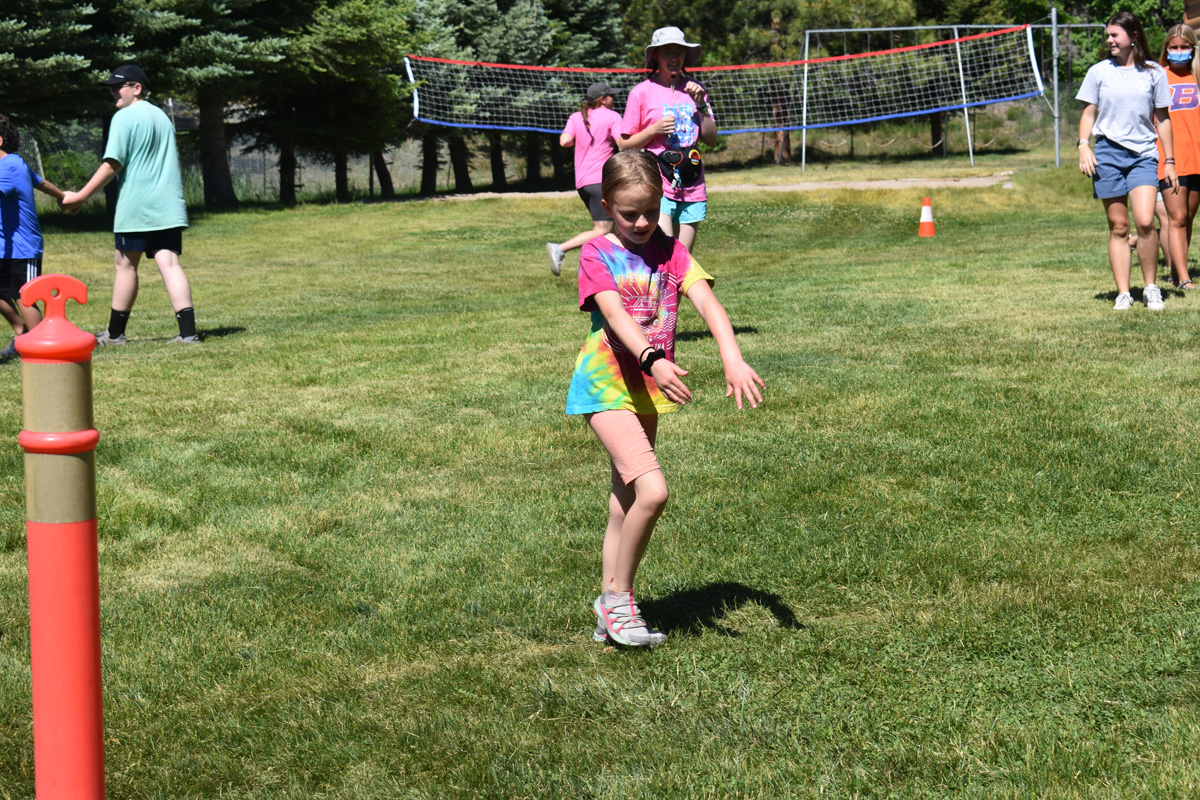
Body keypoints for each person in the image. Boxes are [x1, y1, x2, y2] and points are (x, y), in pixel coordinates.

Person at [566, 150, 764, 647]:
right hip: (605, 386)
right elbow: (616, 315)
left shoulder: (672, 251)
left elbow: (707, 302)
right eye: (629, 213)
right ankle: (619, 601)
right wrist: (653, 358)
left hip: (645, 393)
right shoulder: (596, 253)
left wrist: (733, 358)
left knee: (625, 499)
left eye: (651, 211)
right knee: (653, 492)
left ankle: (609, 607)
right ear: (607, 206)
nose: (641, 222)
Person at [61, 65, 198, 344]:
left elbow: (113, 163)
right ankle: (188, 333)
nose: (113, 92)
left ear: (137, 88)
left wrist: (81, 196)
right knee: (170, 264)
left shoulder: (124, 117)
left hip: (137, 207)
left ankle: (114, 334)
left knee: (125, 265)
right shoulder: (161, 117)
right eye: (111, 88)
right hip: (168, 206)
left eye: (118, 87)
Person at [1078, 12, 1177, 310]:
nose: (1109, 40)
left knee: (1145, 221)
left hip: (1144, 155)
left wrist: (1170, 161)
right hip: (1107, 154)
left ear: (1133, 36)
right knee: (1119, 226)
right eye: (1107, 35)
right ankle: (1123, 293)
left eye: (1115, 35)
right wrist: (1083, 145)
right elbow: (1089, 113)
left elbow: (1163, 118)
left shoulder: (1155, 73)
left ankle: (1150, 288)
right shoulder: (1098, 72)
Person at [619, 26, 718, 253]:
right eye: (667, 52)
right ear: (655, 55)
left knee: (682, 259)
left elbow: (711, 140)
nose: (674, 57)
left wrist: (701, 105)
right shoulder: (641, 92)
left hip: (692, 185)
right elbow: (623, 145)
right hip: (658, 185)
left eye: (679, 51)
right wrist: (653, 130)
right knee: (664, 253)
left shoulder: (696, 90)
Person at [0, 114, 66, 360]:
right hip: (4, 246)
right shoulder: (15, 164)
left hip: (22, 247)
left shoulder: (8, 166)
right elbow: (41, 182)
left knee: (24, 296)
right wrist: (63, 197)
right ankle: (22, 331)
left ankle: (43, 348)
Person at [546, 82, 622, 276]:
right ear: (603, 99)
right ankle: (560, 248)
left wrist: (582, 138)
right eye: (612, 96)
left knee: (611, 228)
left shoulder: (576, 116)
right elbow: (623, 143)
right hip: (601, 180)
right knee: (603, 229)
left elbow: (564, 141)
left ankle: (608, 267)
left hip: (582, 183)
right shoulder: (612, 116)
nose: (615, 99)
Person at [1157, 24, 1200, 290]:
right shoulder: (1158, 76)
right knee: (1177, 217)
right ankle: (1183, 277)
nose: (1179, 52)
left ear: (1193, 49)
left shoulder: (1197, 76)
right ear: (1166, 48)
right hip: (1169, 158)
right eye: (1174, 47)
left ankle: (1176, 271)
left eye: (1184, 47)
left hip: (1196, 157)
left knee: (1189, 217)